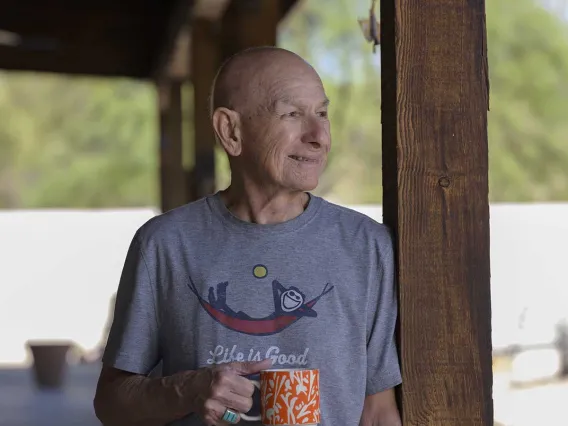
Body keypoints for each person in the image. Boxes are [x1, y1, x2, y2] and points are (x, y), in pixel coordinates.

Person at [93, 46, 402, 426]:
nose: (319, 136)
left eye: (322, 113)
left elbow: (378, 410)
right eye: (292, 114)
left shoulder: (367, 246)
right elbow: (111, 404)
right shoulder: (164, 244)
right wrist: (190, 389)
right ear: (231, 131)